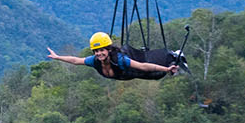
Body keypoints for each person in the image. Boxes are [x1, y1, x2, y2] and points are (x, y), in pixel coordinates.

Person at [47, 32, 180, 80]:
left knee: (155, 75)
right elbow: (76, 60)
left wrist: (165, 70)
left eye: (102, 50)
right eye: (96, 51)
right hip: (123, 76)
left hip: (135, 73)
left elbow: (143, 66)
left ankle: (172, 58)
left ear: (109, 49)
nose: (99, 54)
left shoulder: (120, 60)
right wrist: (58, 57)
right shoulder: (95, 61)